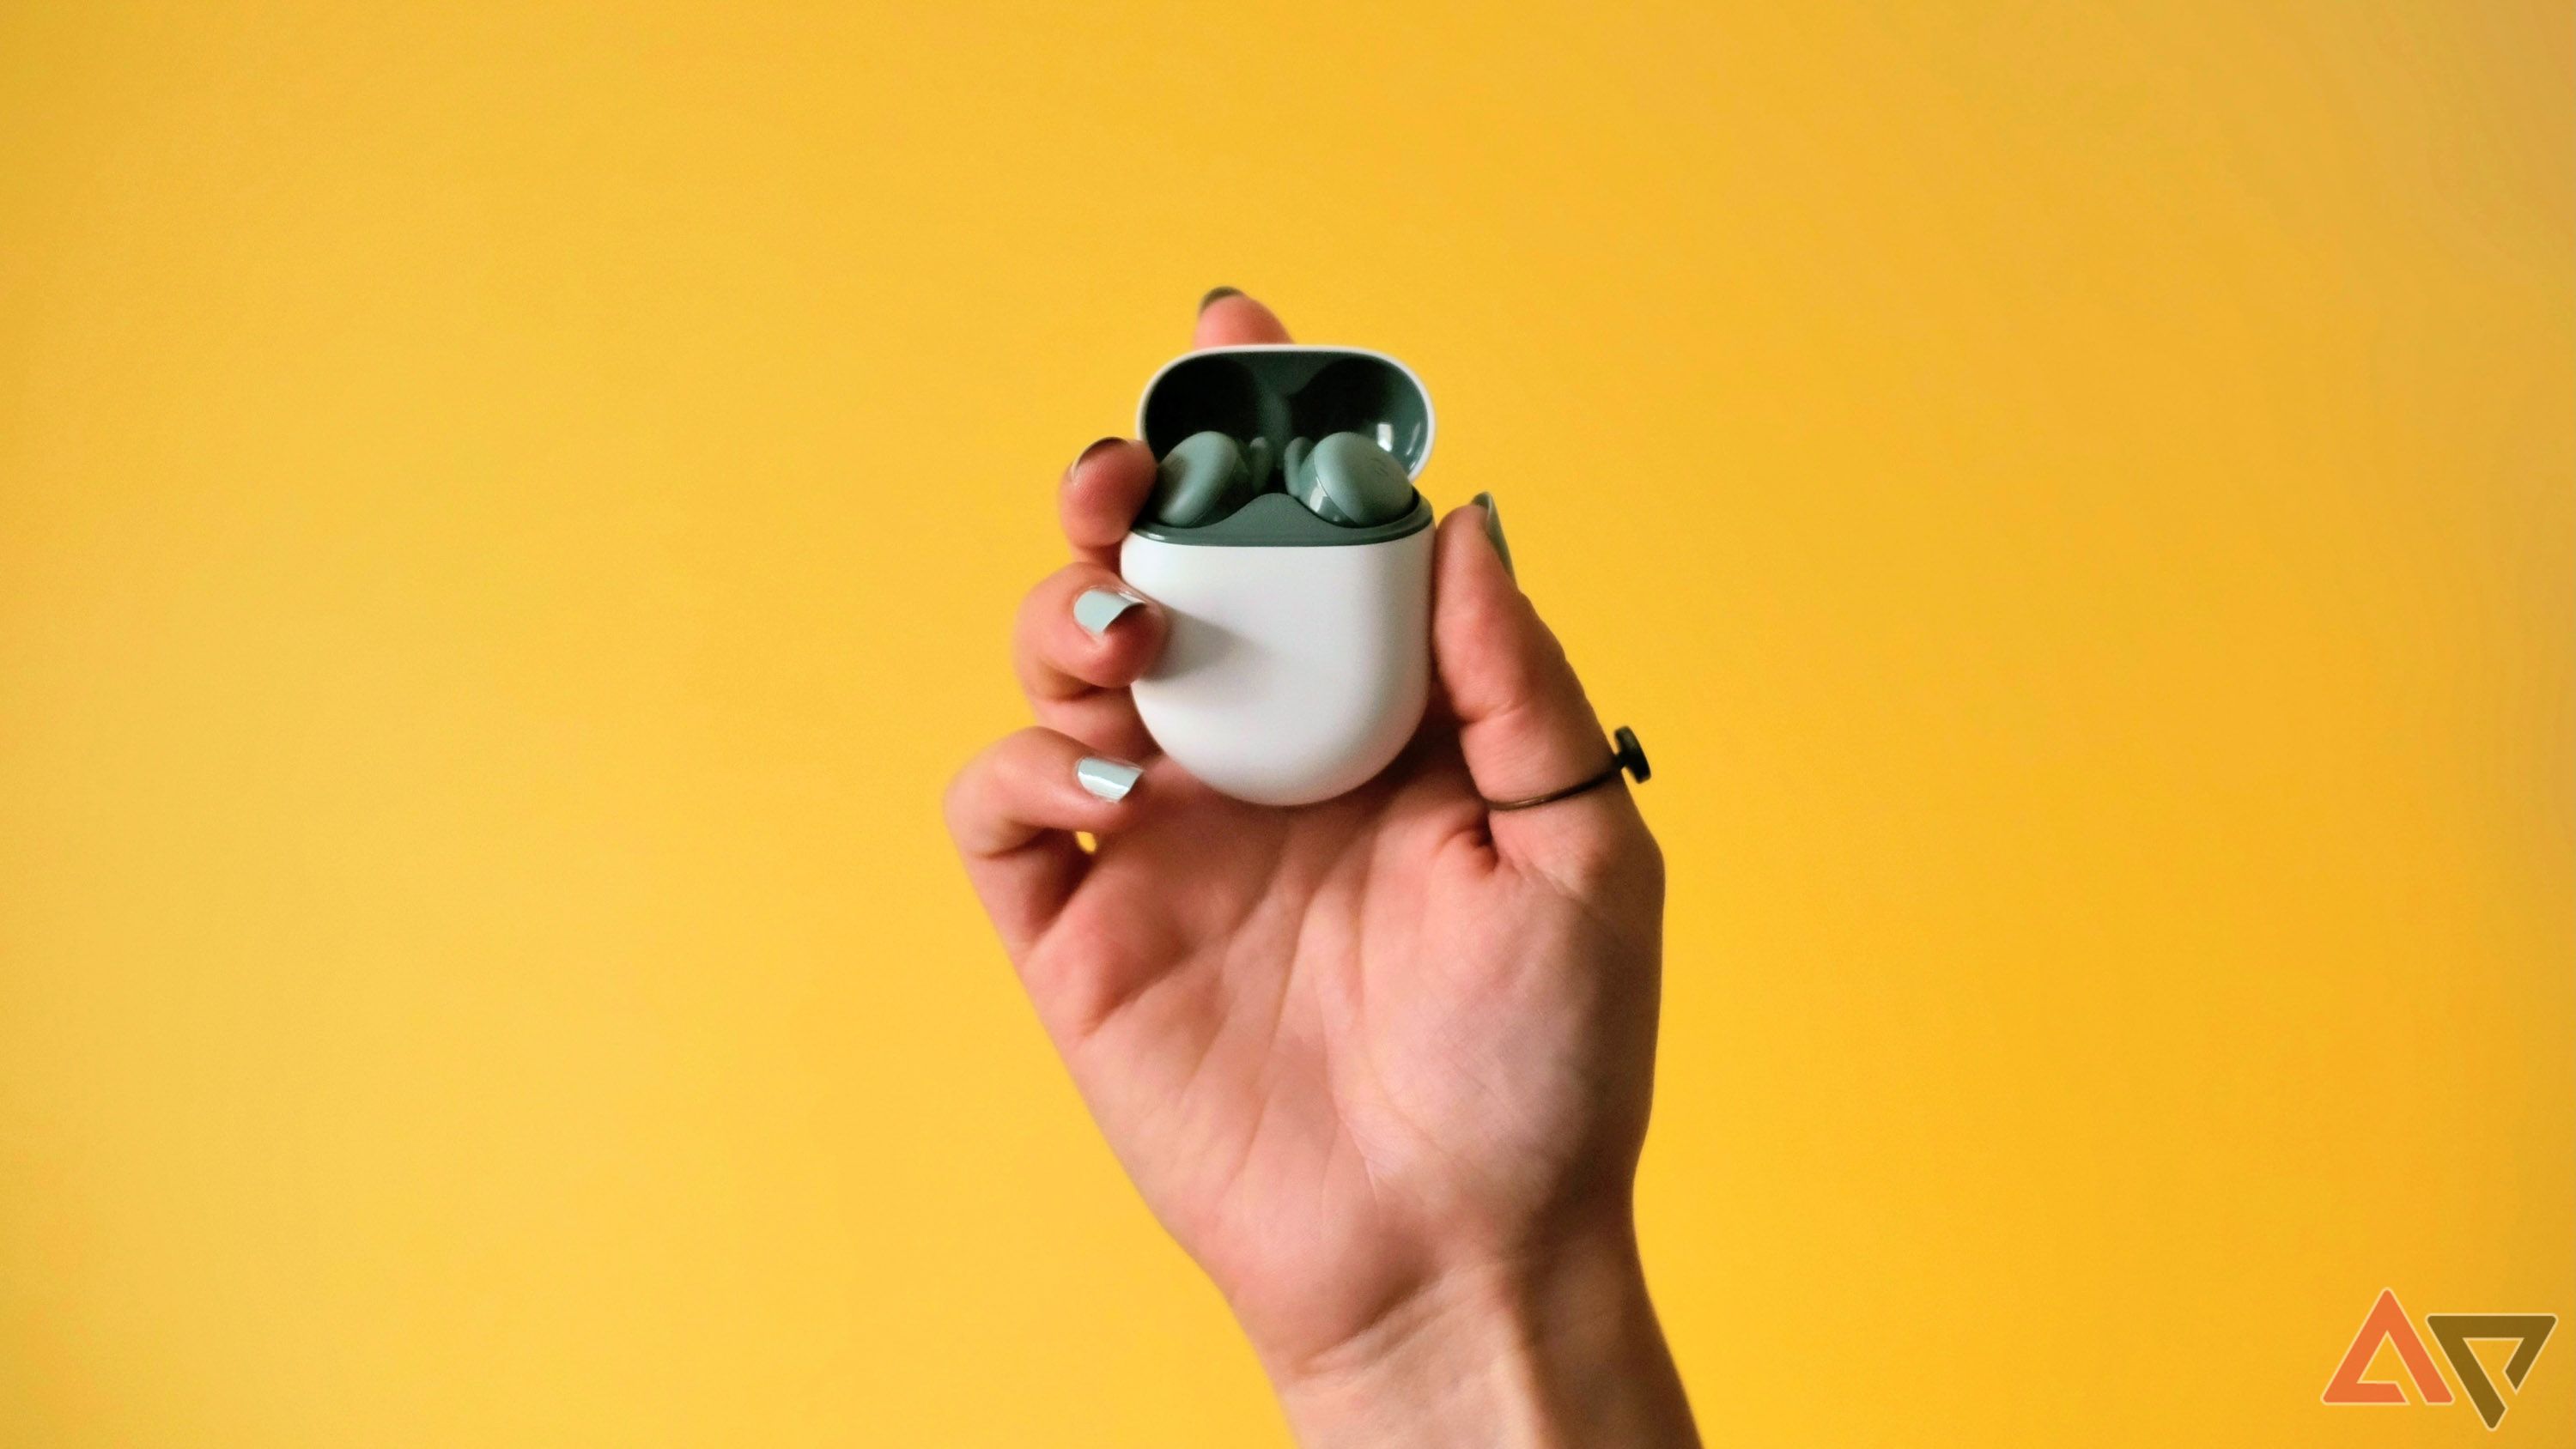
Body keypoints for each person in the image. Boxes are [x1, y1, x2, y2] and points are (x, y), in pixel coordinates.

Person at [945, 290, 1699, 1446]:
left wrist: (1487, 1283)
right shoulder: (1349, 531)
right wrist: (1413, 1336)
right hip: (1305, 717)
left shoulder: (1224, 554)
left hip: (1321, 721)